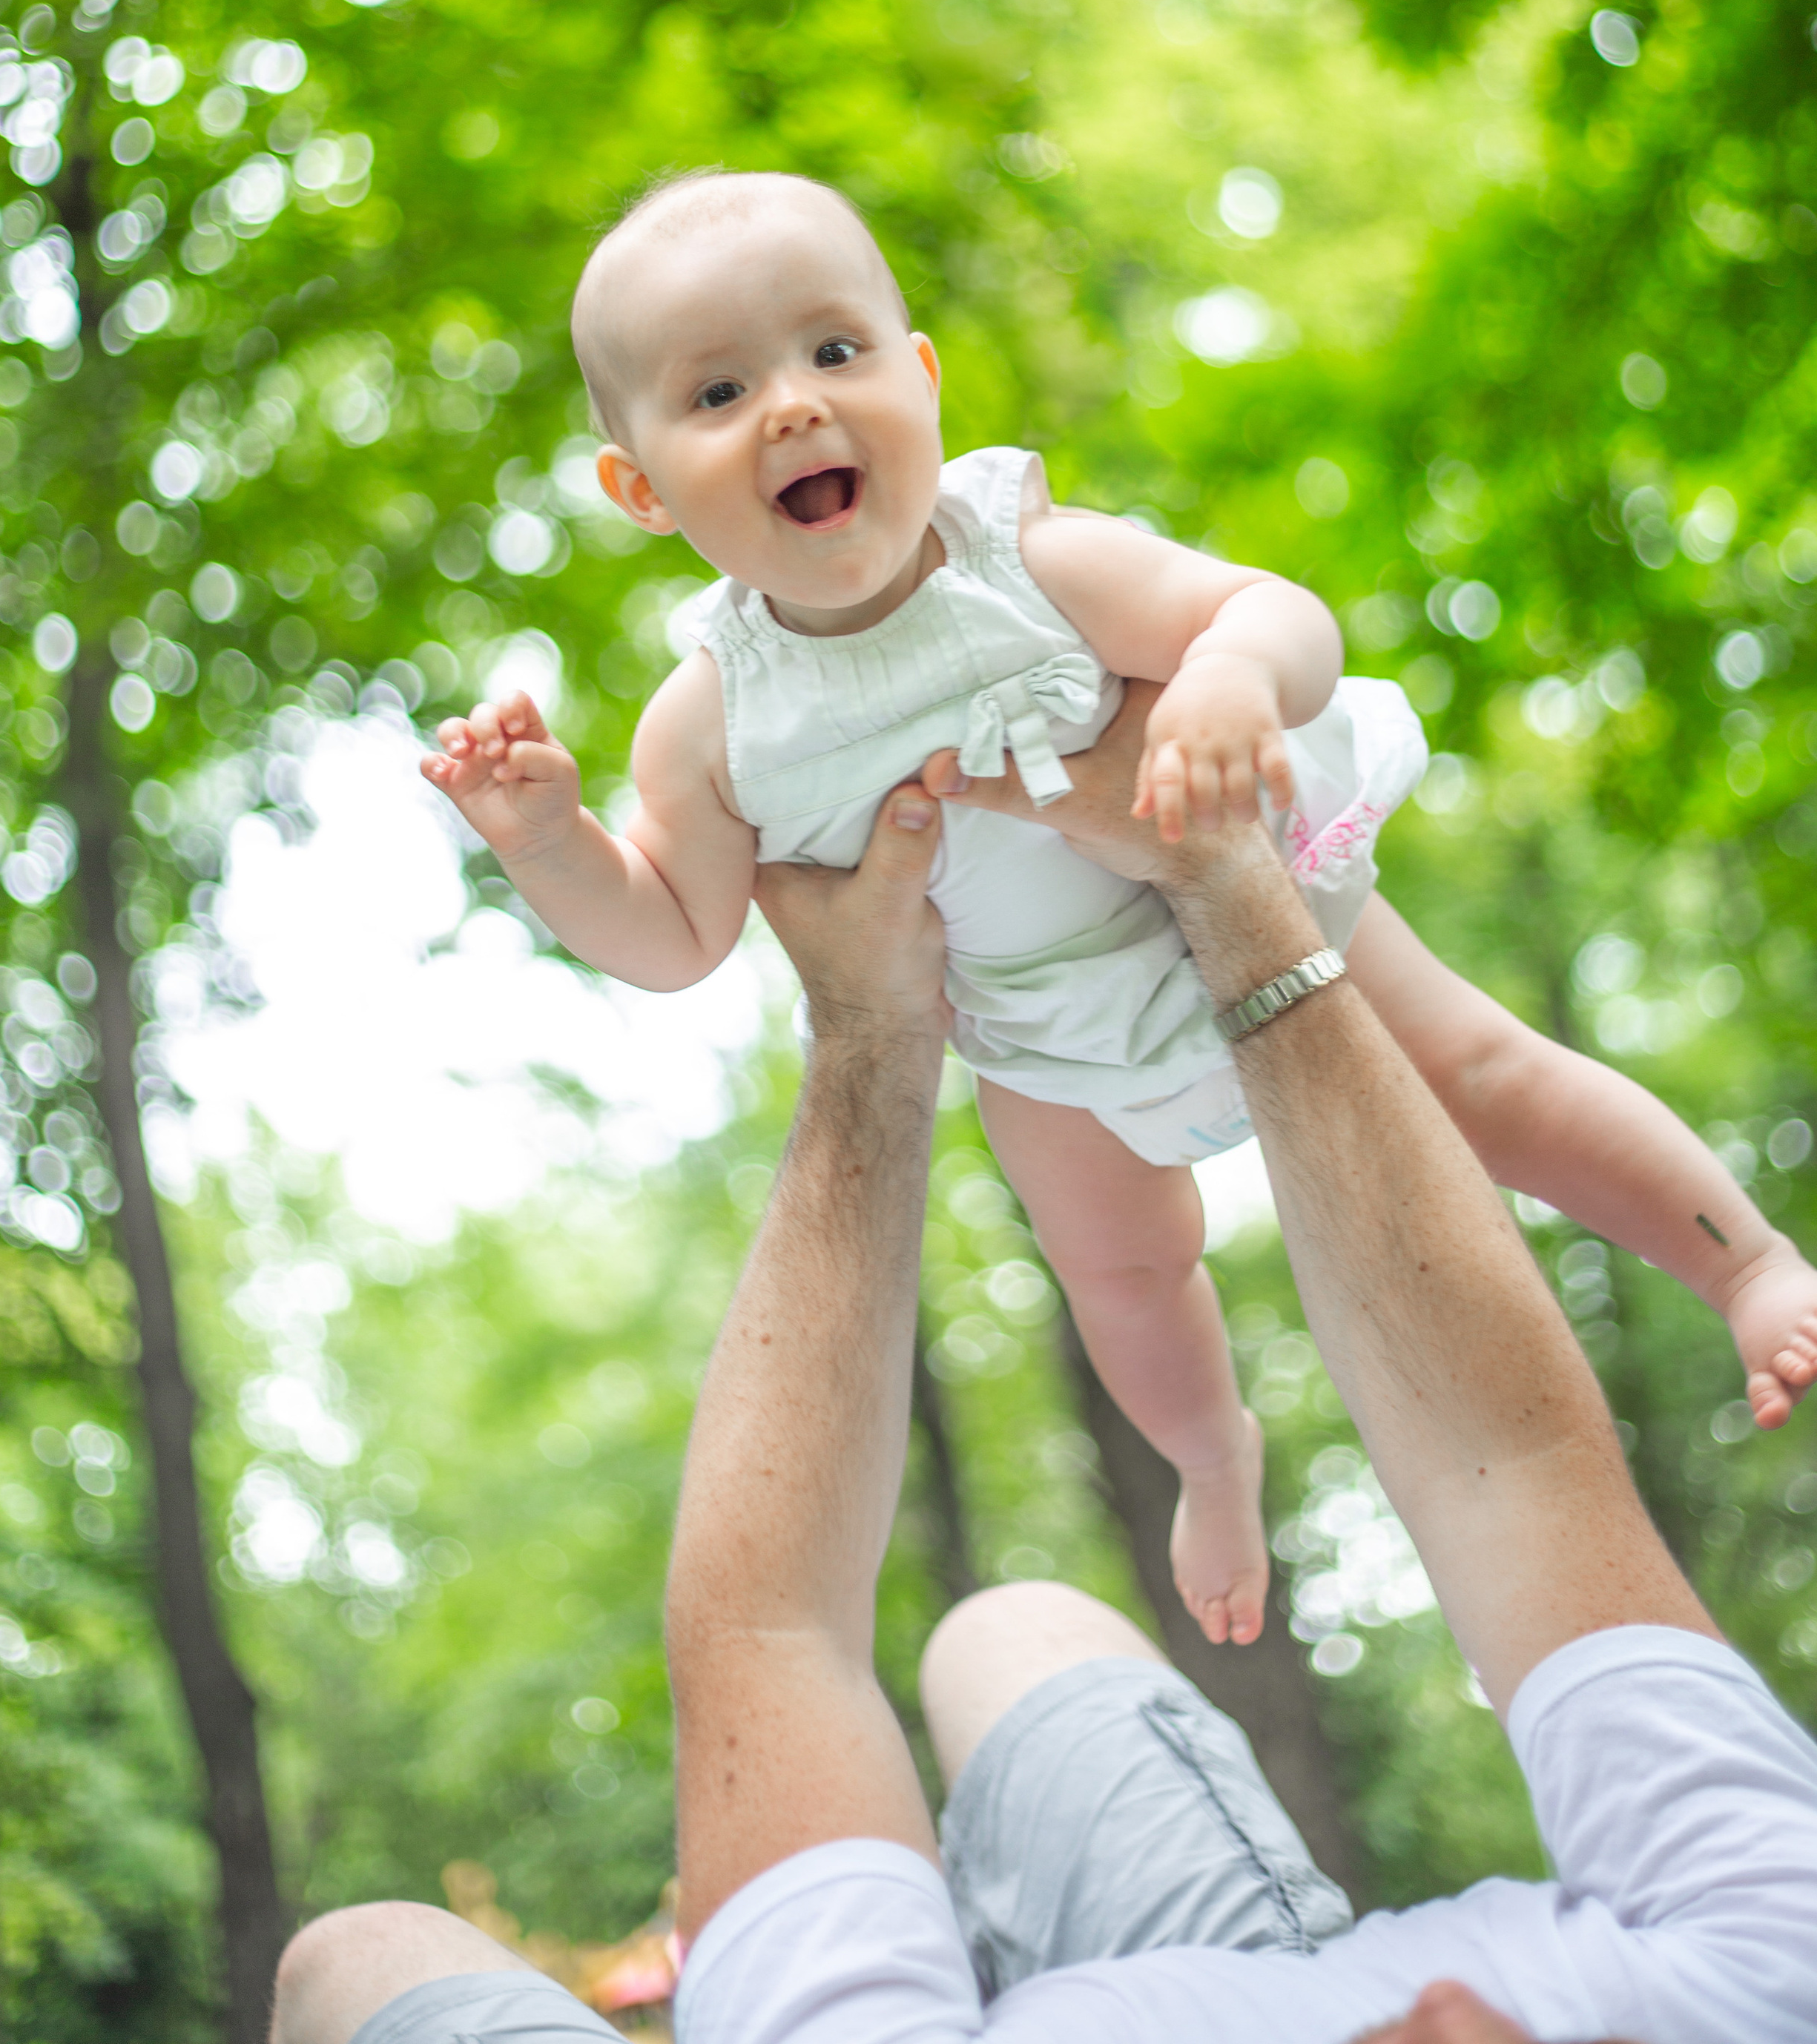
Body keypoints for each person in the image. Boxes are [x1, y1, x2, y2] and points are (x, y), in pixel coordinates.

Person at [274, 692, 1817, 2044]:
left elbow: (765, 1637)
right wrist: (1226, 841)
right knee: (1017, 1615)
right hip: (1156, 935)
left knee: (355, 1960)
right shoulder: (1760, 1980)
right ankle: (1266, 1441)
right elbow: (1514, 1469)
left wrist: (838, 1014)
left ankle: (1194, 1488)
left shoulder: (740, 698)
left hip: (1027, 1010)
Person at [423, 168, 1817, 1645]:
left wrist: (1225, 675)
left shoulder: (1028, 565)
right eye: (718, 392)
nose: (793, 406)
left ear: (920, 377)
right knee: (1120, 1272)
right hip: (1048, 1043)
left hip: (1262, 906)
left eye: (834, 351)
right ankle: (1212, 1458)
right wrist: (550, 842)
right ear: (640, 489)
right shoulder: (712, 726)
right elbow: (670, 936)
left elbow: (1274, 613)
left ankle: (1743, 1262)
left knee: (1484, 1077)